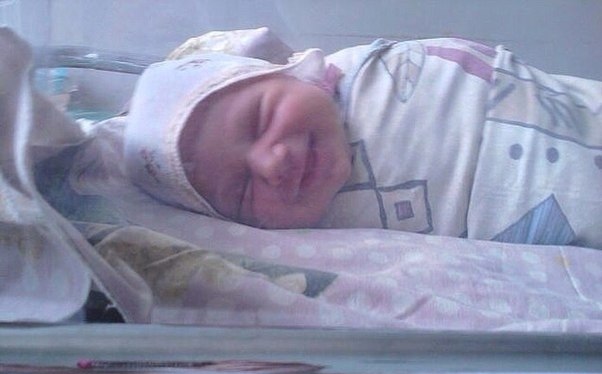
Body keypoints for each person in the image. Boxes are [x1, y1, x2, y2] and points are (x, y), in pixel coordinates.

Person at [124, 30, 602, 249]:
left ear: (295, 74)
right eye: (242, 190)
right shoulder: (332, 244)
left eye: (260, 119)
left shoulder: (367, 74)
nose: (271, 163)